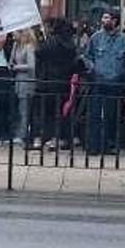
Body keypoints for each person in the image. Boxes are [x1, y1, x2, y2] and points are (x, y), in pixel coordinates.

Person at [82, 10, 125, 155]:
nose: (103, 20)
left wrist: (121, 73)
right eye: (103, 17)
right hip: (98, 81)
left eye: (107, 18)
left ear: (114, 21)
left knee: (112, 116)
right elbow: (86, 56)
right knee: (95, 115)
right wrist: (93, 68)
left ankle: (107, 145)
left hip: (115, 83)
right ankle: (93, 146)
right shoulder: (95, 37)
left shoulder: (123, 40)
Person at [36, 18, 82, 150]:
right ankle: (61, 138)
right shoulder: (71, 44)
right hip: (64, 82)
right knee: (62, 112)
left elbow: (39, 53)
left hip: (48, 81)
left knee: (48, 112)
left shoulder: (51, 42)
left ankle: (48, 137)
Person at [10, 28, 37, 146]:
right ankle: (20, 132)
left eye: (15, 32)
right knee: (20, 109)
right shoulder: (16, 46)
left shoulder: (29, 47)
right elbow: (12, 60)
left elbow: (31, 65)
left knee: (24, 109)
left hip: (27, 80)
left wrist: (17, 67)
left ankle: (23, 135)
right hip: (18, 80)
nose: (12, 35)